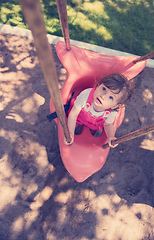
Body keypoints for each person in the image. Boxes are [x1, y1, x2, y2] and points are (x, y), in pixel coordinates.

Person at [64, 73, 134, 147]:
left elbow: (108, 124)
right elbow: (73, 114)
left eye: (111, 97)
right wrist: (70, 132)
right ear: (98, 85)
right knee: (73, 124)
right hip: (79, 116)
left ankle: (91, 131)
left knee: (93, 130)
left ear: (115, 105)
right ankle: (75, 128)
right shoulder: (86, 95)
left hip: (95, 123)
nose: (103, 96)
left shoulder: (112, 112)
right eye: (104, 89)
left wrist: (110, 136)